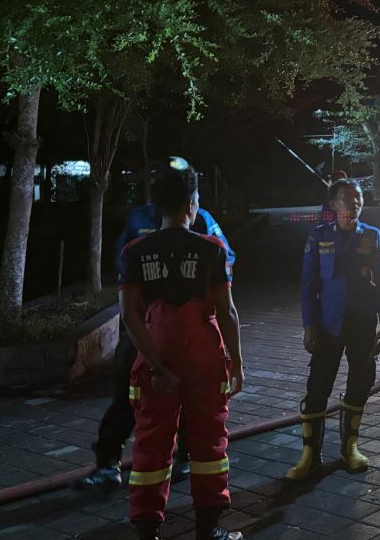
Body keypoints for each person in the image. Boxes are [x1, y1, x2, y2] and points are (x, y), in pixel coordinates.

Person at [79, 156, 235, 491]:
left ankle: (186, 459)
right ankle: (108, 463)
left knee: (192, 400)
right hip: (142, 332)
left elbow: (226, 260)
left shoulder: (204, 222)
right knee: (126, 394)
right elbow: (124, 265)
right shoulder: (138, 222)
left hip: (187, 333)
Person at [119, 163, 245, 540]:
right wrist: (236, 363)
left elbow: (130, 317)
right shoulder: (212, 250)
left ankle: (147, 530)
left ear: (158, 205)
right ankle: (208, 530)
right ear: (191, 204)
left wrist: (156, 367)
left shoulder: (135, 252)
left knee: (151, 446)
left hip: (156, 356)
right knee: (208, 443)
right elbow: (228, 312)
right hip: (204, 358)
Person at [287, 179, 380, 481]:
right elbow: (308, 285)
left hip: (362, 323)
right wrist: (309, 325)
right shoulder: (318, 236)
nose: (353, 204)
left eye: (357, 198)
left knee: (360, 383)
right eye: (346, 199)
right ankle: (310, 456)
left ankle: (350, 448)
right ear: (333, 205)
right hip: (327, 324)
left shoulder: (372, 237)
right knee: (318, 386)